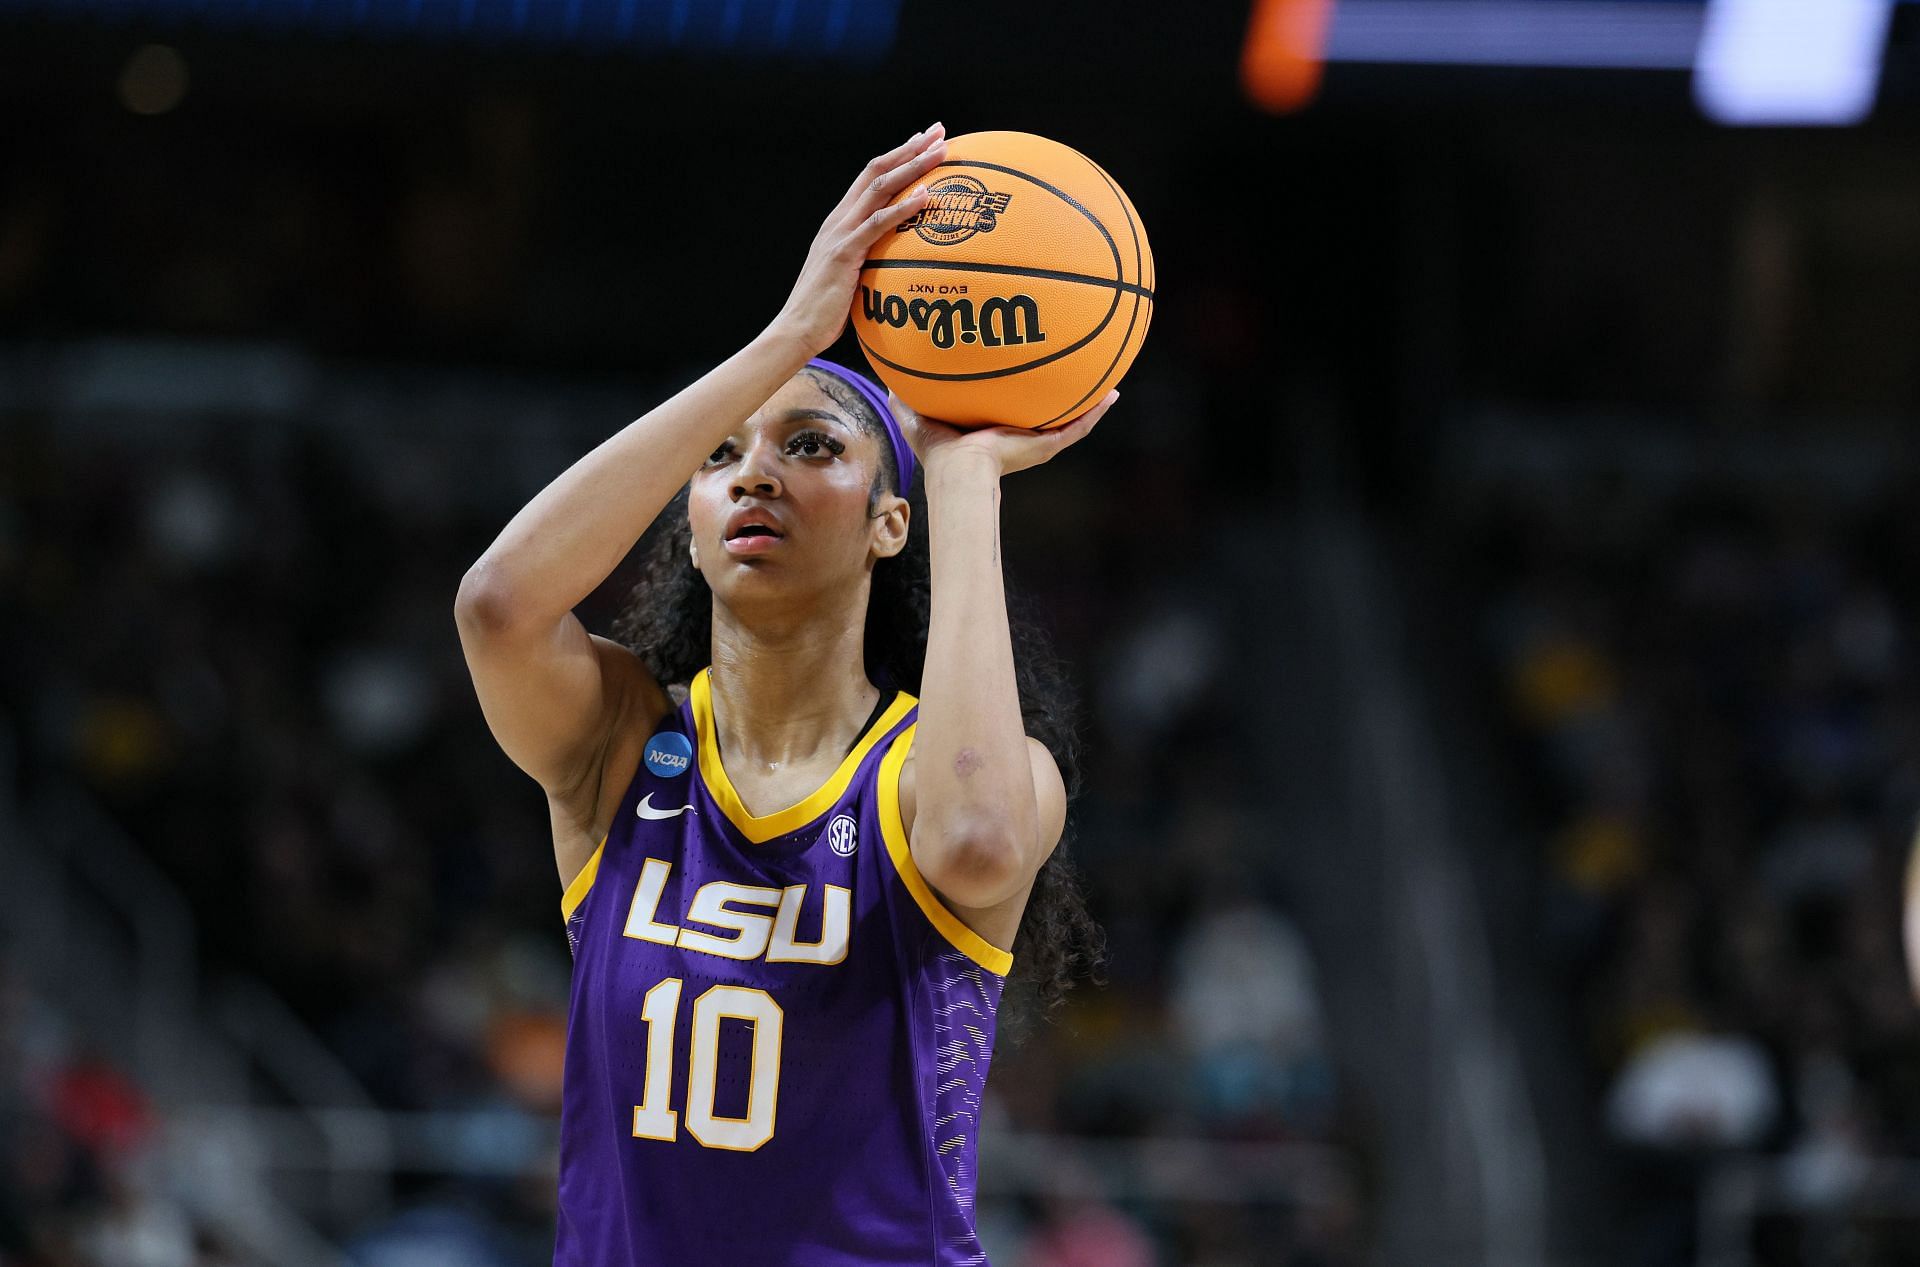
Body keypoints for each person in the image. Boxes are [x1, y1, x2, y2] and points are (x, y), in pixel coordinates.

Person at [454, 122, 1112, 1265]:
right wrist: (785, 343)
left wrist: (964, 481)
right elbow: (499, 604)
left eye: (810, 445)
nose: (754, 470)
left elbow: (976, 838)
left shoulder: (940, 775)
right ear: (693, 528)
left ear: (885, 523)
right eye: (721, 456)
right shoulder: (623, 745)